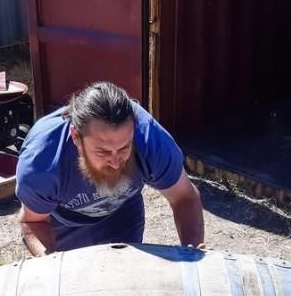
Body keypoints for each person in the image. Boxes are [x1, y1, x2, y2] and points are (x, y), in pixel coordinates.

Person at [14, 81, 205, 256]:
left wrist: (193, 254)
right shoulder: (42, 162)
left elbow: (184, 197)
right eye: (102, 151)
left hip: (122, 210)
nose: (115, 162)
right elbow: (33, 221)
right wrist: (52, 263)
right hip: (62, 223)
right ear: (76, 137)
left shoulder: (149, 138)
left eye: (124, 148)